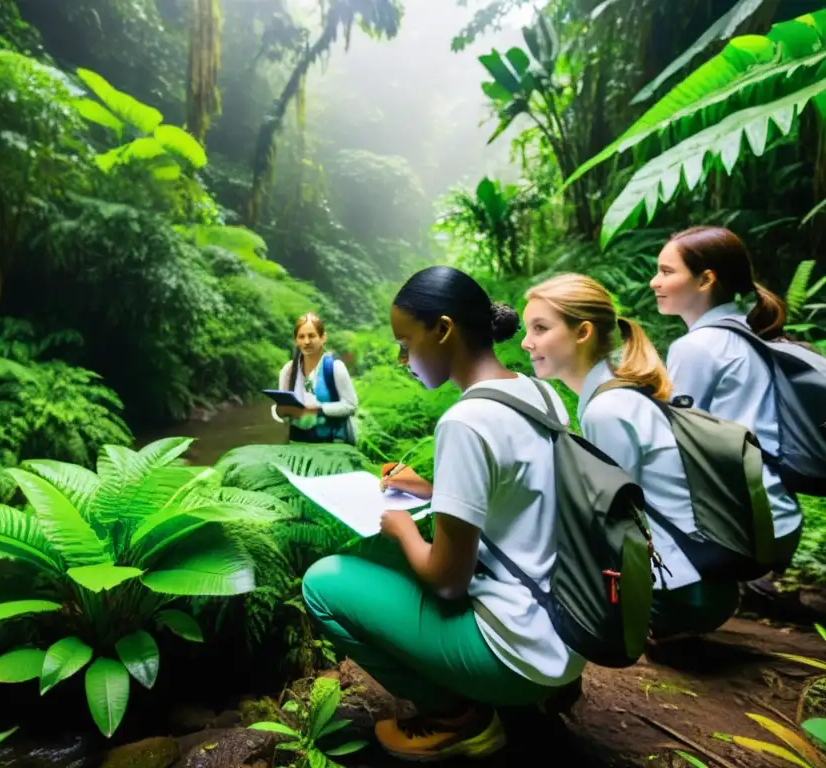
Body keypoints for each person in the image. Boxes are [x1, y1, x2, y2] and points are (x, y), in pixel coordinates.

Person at [301, 266, 585, 762]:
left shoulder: (465, 421)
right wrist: (432, 489)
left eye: (406, 342)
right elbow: (518, 497)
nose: (403, 358)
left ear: (445, 330)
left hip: (515, 656)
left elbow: (448, 581)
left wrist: (405, 528)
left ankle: (460, 718)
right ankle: (513, 700)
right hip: (568, 632)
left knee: (323, 582)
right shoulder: (539, 394)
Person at [521, 273, 739, 641]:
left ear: (582, 332)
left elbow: (609, 523)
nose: (527, 342)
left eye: (540, 328)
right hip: (704, 580)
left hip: (684, 595)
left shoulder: (607, 410)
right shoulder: (619, 392)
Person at [650, 227, 802, 574]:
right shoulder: (748, 331)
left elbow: (672, 447)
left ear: (705, 279)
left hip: (744, 530)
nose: (654, 283)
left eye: (667, 272)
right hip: (780, 517)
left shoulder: (698, 347)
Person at [271, 312, 357, 444]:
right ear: (296, 340)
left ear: (323, 338)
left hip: (333, 444)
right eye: (301, 337)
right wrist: (280, 411)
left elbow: (351, 406)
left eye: (312, 336)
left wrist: (319, 409)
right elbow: (283, 413)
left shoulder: (334, 368)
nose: (306, 342)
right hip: (297, 445)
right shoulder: (288, 371)